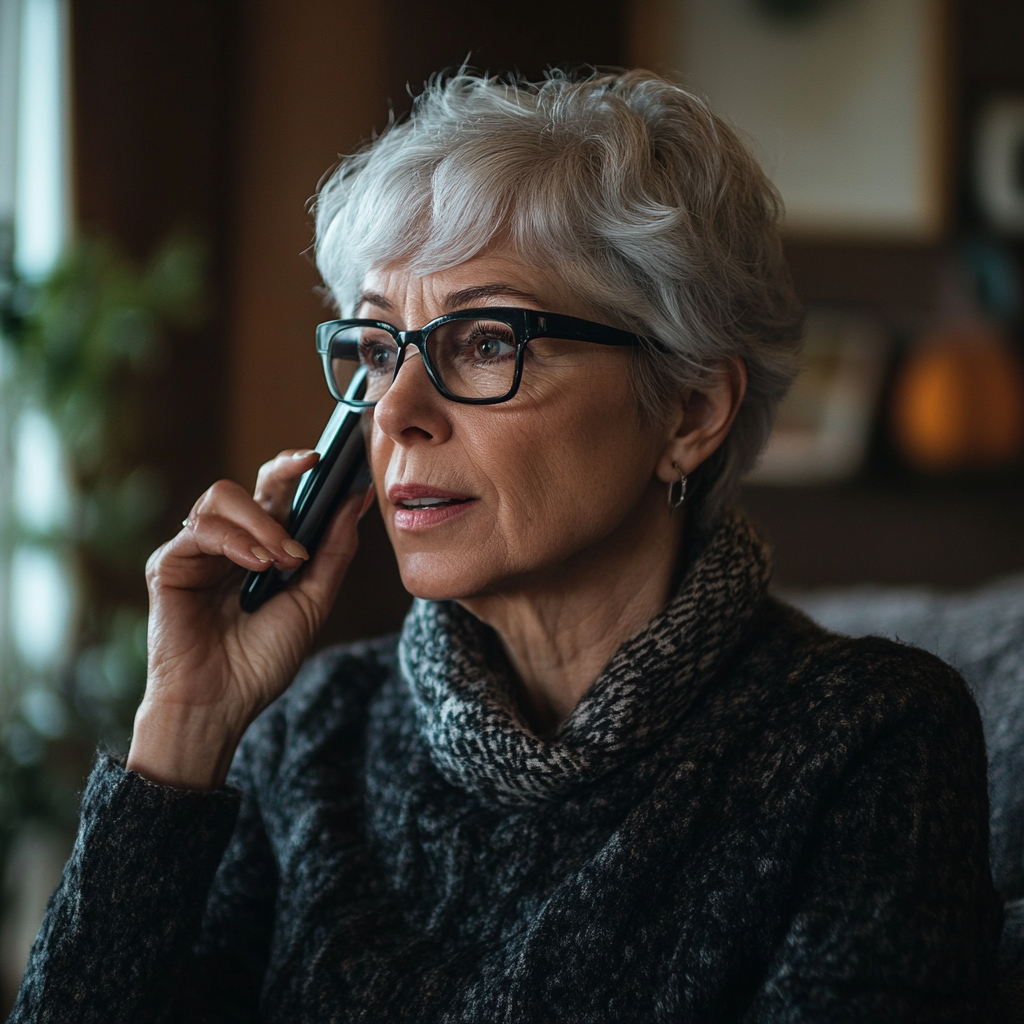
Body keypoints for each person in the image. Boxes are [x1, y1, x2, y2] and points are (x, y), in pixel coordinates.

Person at [10, 70, 1000, 1023]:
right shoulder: (313, 735)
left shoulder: (866, 741)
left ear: (691, 410)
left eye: (484, 340)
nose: (395, 410)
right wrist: (183, 725)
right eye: (374, 345)